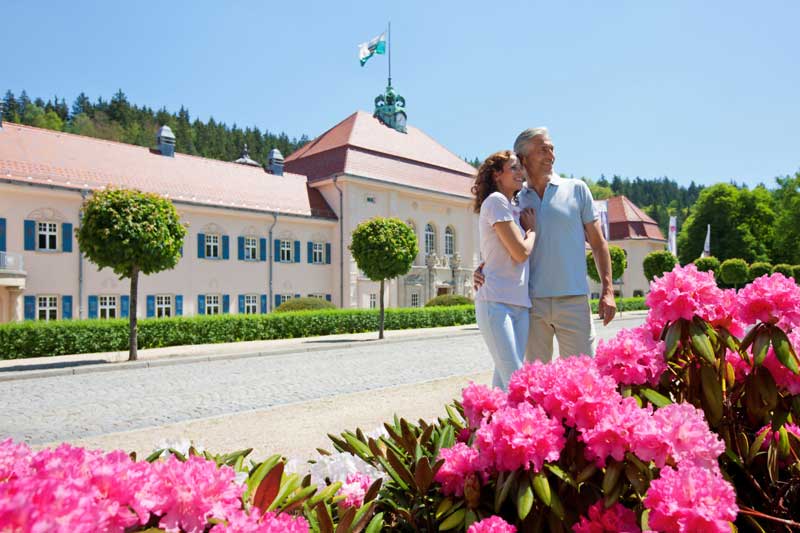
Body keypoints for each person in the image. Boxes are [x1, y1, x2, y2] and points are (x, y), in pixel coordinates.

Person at [474, 128, 616, 362]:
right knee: (535, 382)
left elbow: (599, 244)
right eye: (543, 150)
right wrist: (482, 269)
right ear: (523, 158)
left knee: (583, 378)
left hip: (574, 301)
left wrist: (608, 290)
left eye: (552, 149)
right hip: (530, 305)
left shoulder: (576, 189)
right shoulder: (515, 199)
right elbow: (500, 243)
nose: (551, 155)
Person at [472, 150, 537, 390]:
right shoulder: (496, 202)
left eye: (521, 167)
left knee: (503, 380)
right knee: (516, 381)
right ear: (497, 175)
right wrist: (532, 232)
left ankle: (487, 425)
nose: (521, 172)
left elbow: (495, 251)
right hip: (496, 303)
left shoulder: (513, 207)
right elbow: (520, 253)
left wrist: (481, 265)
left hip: (519, 303)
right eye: (514, 168)